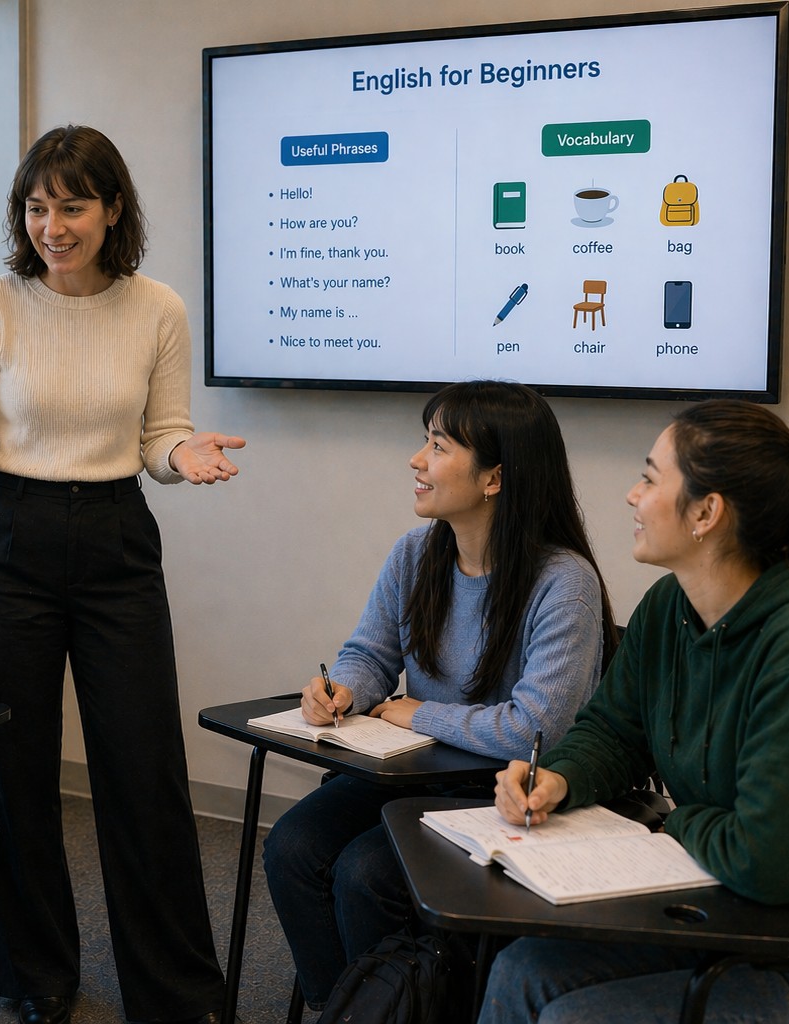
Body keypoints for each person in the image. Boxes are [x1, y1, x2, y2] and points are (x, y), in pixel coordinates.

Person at [0, 123, 242, 1024]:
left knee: (144, 770)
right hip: (7, 538)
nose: (52, 227)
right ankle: (36, 978)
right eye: (36, 208)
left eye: (71, 207)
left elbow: (160, 437)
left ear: (111, 210)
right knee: (14, 769)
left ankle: (174, 988)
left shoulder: (157, 308)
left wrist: (185, 457)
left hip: (115, 540)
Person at [261, 379, 618, 1011]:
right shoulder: (415, 553)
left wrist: (419, 713)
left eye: (438, 447)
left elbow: (535, 730)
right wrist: (341, 690)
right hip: (414, 773)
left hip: (504, 791)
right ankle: (351, 1010)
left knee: (365, 874)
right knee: (291, 847)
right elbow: (370, 656)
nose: (416, 461)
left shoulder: (564, 582)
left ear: (494, 478)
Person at [482, 401, 789, 1024]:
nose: (632, 495)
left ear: (706, 513)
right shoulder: (666, 606)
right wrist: (557, 778)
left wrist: (678, 822)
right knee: (522, 970)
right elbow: (613, 731)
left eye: (649, 478)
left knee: (576, 1019)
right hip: (721, 912)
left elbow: (768, 864)